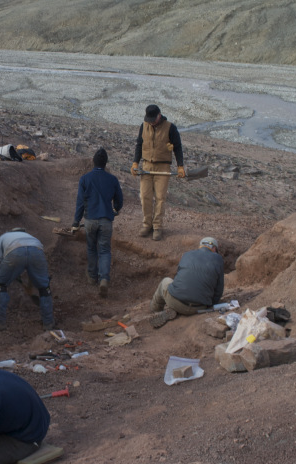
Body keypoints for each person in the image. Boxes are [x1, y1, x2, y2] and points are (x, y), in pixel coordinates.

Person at [72, 148, 124, 298]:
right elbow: (119, 201)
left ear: (93, 162)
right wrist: (116, 208)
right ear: (106, 163)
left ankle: (91, 277)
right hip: (106, 221)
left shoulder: (85, 179)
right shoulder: (112, 179)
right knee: (104, 251)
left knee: (91, 249)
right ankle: (104, 279)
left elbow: (80, 203)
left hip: (90, 221)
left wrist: (76, 222)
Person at [130, 104, 185, 240]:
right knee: (145, 196)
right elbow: (139, 144)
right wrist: (135, 162)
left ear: (159, 115)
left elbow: (177, 147)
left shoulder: (170, 128)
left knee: (160, 198)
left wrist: (180, 166)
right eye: (149, 119)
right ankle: (146, 224)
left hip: (163, 167)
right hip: (146, 165)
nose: (151, 122)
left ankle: (157, 227)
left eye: (153, 119)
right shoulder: (144, 126)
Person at [149, 237, 224, 327]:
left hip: (175, 301)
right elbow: (219, 289)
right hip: (200, 307)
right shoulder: (218, 259)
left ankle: (156, 310)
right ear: (214, 248)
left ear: (201, 246)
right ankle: (179, 310)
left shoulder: (187, 254)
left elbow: (179, 277)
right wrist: (212, 304)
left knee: (166, 281)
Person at [0, 227, 54, 328]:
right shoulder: (32, 238)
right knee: (44, 288)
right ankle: (48, 323)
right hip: (36, 251)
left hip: (14, 252)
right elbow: (33, 258)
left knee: (1, 285)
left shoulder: (4, 237)